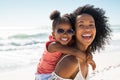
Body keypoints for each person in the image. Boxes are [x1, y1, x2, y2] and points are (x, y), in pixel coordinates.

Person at [49, 4, 111, 80]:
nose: (88, 29)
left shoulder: (86, 55)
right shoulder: (71, 61)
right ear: (73, 31)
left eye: (91, 25)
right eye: (81, 25)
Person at [35, 10, 95, 80]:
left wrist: (88, 52)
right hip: (43, 75)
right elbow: (76, 52)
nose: (65, 34)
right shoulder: (53, 45)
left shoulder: (66, 41)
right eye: (60, 31)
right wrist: (90, 60)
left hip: (53, 72)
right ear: (53, 34)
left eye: (69, 31)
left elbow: (82, 47)